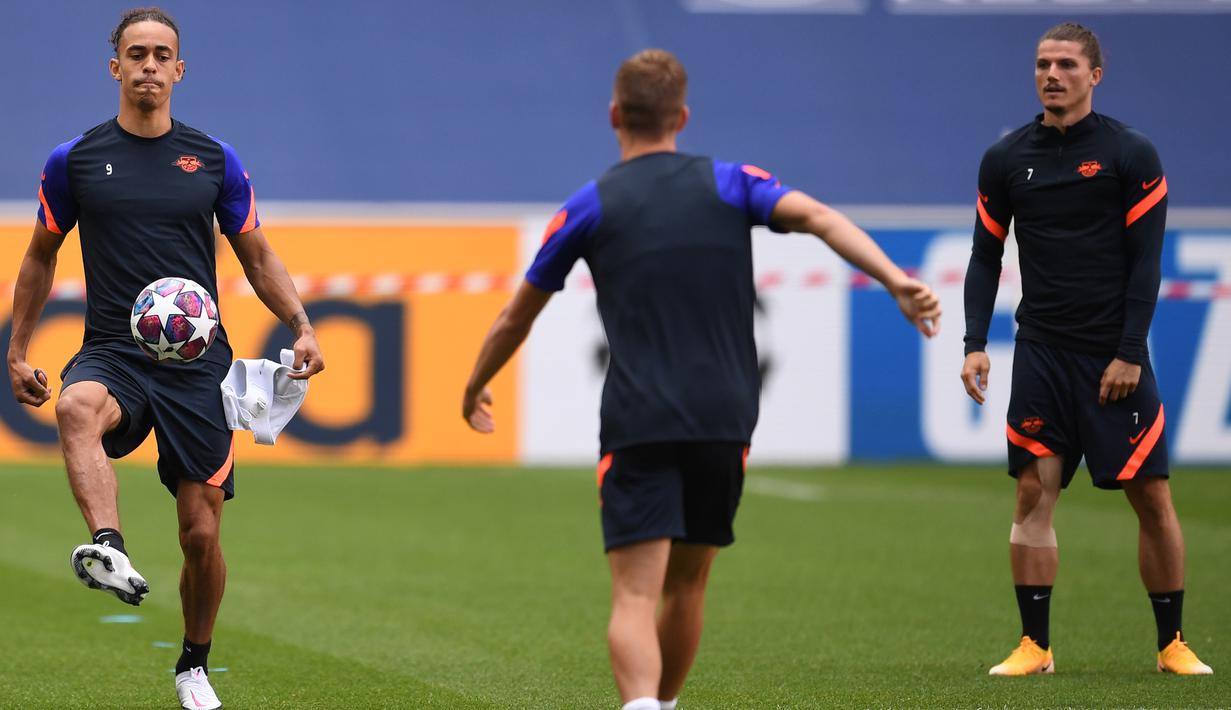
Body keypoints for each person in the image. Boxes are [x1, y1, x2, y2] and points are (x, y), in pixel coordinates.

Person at [462, 49, 941, 710]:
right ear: (682, 117)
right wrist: (894, 278)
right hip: (725, 415)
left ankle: (641, 706)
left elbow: (517, 315)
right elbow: (820, 218)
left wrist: (475, 384)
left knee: (634, 593)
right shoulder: (732, 183)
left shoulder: (588, 205)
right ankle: (661, 706)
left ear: (613, 115)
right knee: (687, 586)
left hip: (638, 418)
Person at [5, 8, 325, 709]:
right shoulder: (74, 161)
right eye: (136, 54)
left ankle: (194, 665)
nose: (148, 66)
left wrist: (301, 324)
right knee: (75, 405)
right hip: (114, 351)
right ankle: (108, 546)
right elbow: (38, 257)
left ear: (179, 70)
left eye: (160, 55)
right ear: (114, 67)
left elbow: (258, 255)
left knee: (200, 532)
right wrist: (18, 348)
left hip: (198, 365)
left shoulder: (214, 160)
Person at [961, 23, 1212, 677]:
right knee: (1031, 494)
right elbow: (985, 256)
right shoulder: (1005, 158)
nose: (1051, 74)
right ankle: (1034, 646)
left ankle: (1172, 643)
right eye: (1042, 63)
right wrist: (974, 343)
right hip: (1040, 351)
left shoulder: (1130, 153)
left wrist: (1128, 351)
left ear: (1094, 75)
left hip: (1111, 355)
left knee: (1151, 497)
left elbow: (1146, 262)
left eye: (1067, 64)